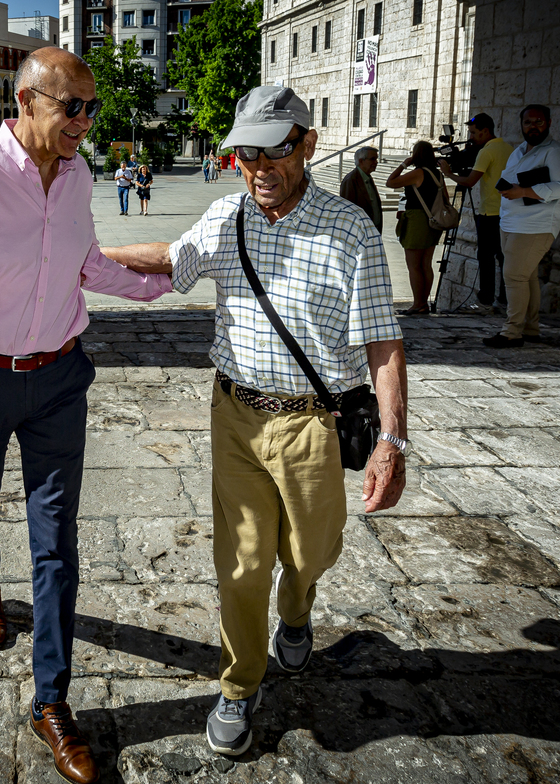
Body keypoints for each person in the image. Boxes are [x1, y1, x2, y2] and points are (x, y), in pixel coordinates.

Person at [100, 85, 408, 758]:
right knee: (240, 565)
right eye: (246, 155)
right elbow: (169, 259)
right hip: (236, 414)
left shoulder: (350, 231)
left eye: (274, 152)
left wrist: (391, 439)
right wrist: (80, 264)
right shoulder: (224, 218)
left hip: (314, 426)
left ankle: (295, 611)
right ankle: (240, 686)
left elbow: (384, 342)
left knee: (311, 551)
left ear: (308, 145)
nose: (260, 168)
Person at [0, 46, 171, 784]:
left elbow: (86, 264)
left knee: (57, 543)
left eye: (92, 107)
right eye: (71, 106)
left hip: (57, 379)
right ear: (25, 101)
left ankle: (51, 700)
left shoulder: (80, 173)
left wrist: (164, 281)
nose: (86, 120)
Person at [485, 104, 560, 348]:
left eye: (538, 122)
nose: (532, 126)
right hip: (512, 222)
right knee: (527, 276)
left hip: (535, 225)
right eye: (528, 122)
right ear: (521, 124)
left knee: (514, 276)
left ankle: (511, 332)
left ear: (547, 122)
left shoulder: (555, 152)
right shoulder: (520, 151)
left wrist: (525, 191)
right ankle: (531, 328)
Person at [438, 113, 513, 312]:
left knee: (486, 257)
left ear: (485, 131)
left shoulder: (487, 151)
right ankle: (504, 301)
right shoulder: (508, 148)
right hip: (508, 212)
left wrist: (448, 173)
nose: (471, 137)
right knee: (504, 257)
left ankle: (485, 301)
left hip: (489, 213)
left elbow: (470, 181)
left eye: (473, 133)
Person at [386, 141, 448, 315]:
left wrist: (404, 163)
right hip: (433, 221)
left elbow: (390, 182)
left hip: (417, 220)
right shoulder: (438, 174)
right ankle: (423, 303)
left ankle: (418, 304)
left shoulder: (418, 173)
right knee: (426, 264)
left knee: (414, 265)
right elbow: (445, 198)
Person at [339, 146, 383, 232]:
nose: (376, 162)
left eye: (376, 159)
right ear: (361, 161)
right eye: (372, 159)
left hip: (372, 230)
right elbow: (348, 209)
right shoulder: (351, 180)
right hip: (360, 231)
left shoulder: (367, 177)